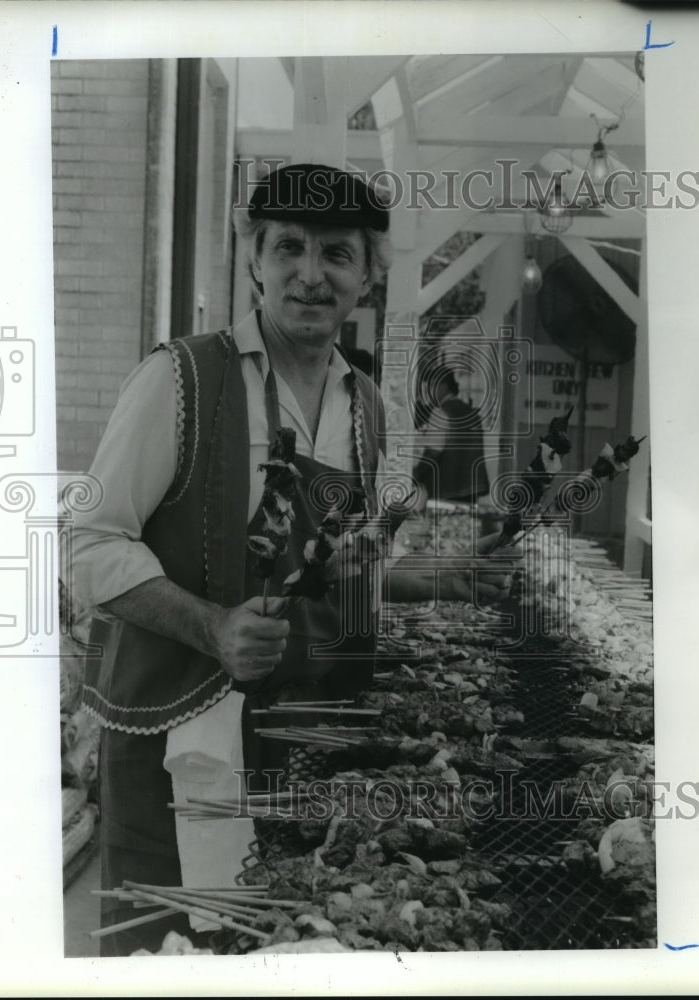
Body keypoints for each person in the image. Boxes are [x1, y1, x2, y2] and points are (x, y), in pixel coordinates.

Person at [65, 163, 511, 955]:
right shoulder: (181, 379)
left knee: (276, 943)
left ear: (367, 276)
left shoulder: (367, 408)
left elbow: (331, 564)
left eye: (337, 254)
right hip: (176, 743)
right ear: (254, 261)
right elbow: (90, 544)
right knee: (166, 949)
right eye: (289, 249)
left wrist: (411, 579)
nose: (311, 275)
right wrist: (209, 625)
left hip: (294, 742)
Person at [413, 363, 490, 508]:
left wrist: (415, 474)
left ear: (442, 385)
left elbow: (433, 452)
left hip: (445, 490)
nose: (428, 393)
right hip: (473, 489)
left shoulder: (441, 413)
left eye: (430, 387)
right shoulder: (473, 414)